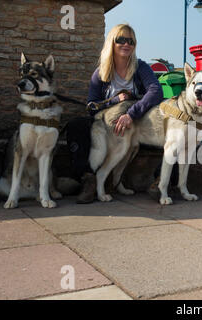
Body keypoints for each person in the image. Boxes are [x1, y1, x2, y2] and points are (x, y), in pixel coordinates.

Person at [66, 24, 163, 203]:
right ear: (112, 42)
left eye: (131, 41)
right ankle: (88, 179)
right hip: (105, 120)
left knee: (180, 132)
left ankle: (160, 181)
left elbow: (156, 91)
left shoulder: (140, 67)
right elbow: (91, 105)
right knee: (75, 126)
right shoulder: (100, 73)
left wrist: (131, 114)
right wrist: (114, 101)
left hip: (134, 121)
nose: (126, 44)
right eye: (121, 40)